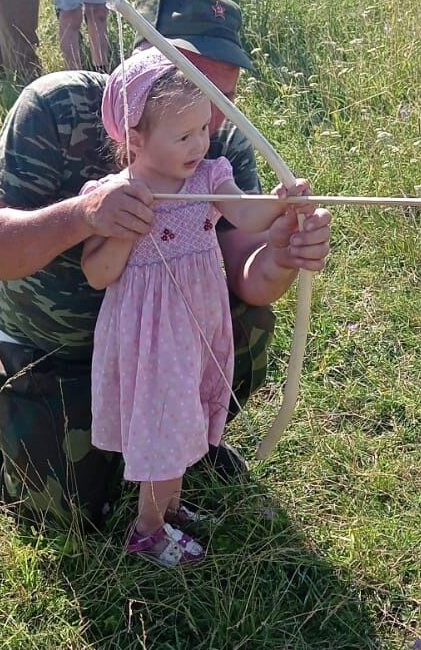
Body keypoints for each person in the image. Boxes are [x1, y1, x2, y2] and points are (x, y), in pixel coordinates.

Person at [0, 0, 332, 526]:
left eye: (222, 94)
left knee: (250, 324)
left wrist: (282, 253)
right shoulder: (56, 105)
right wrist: (85, 217)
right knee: (69, 508)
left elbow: (248, 278)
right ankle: (10, 410)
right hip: (58, 347)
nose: (208, 124)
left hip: (167, 338)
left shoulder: (217, 142)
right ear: (144, 70)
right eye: (194, 77)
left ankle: (171, 449)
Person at [82, 52, 294, 566]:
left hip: (197, 320)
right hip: (150, 333)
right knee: (165, 424)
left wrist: (284, 202)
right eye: (183, 136)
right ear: (135, 139)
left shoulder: (209, 177)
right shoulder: (115, 195)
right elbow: (98, 273)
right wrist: (126, 224)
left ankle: (170, 508)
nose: (199, 144)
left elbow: (247, 214)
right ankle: (147, 531)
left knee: (187, 412)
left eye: (204, 128)